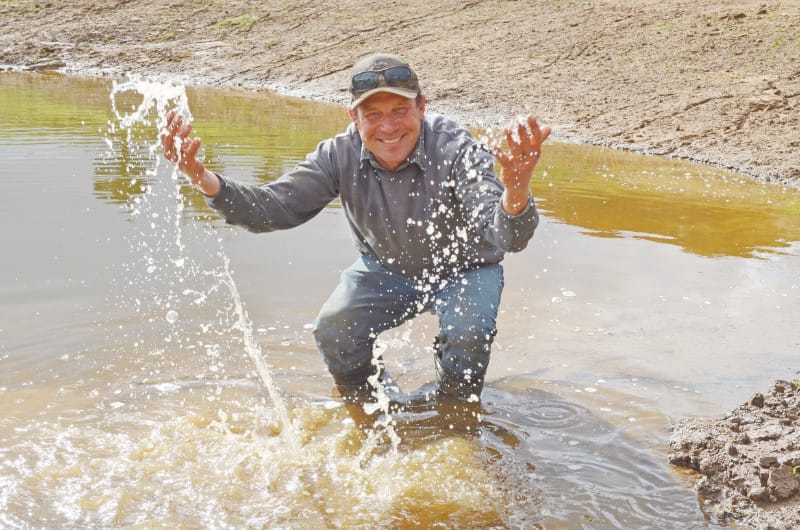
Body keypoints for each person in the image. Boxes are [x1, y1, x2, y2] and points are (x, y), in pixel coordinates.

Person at [161, 53, 550, 403]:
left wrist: (516, 189)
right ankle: (365, 405)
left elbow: (508, 237)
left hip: (466, 271)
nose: (389, 128)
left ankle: (455, 409)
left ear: (422, 107)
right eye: (374, 115)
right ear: (354, 117)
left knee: (467, 336)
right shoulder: (338, 155)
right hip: (386, 270)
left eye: (400, 110)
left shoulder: (457, 149)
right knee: (333, 328)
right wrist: (200, 175)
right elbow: (271, 210)